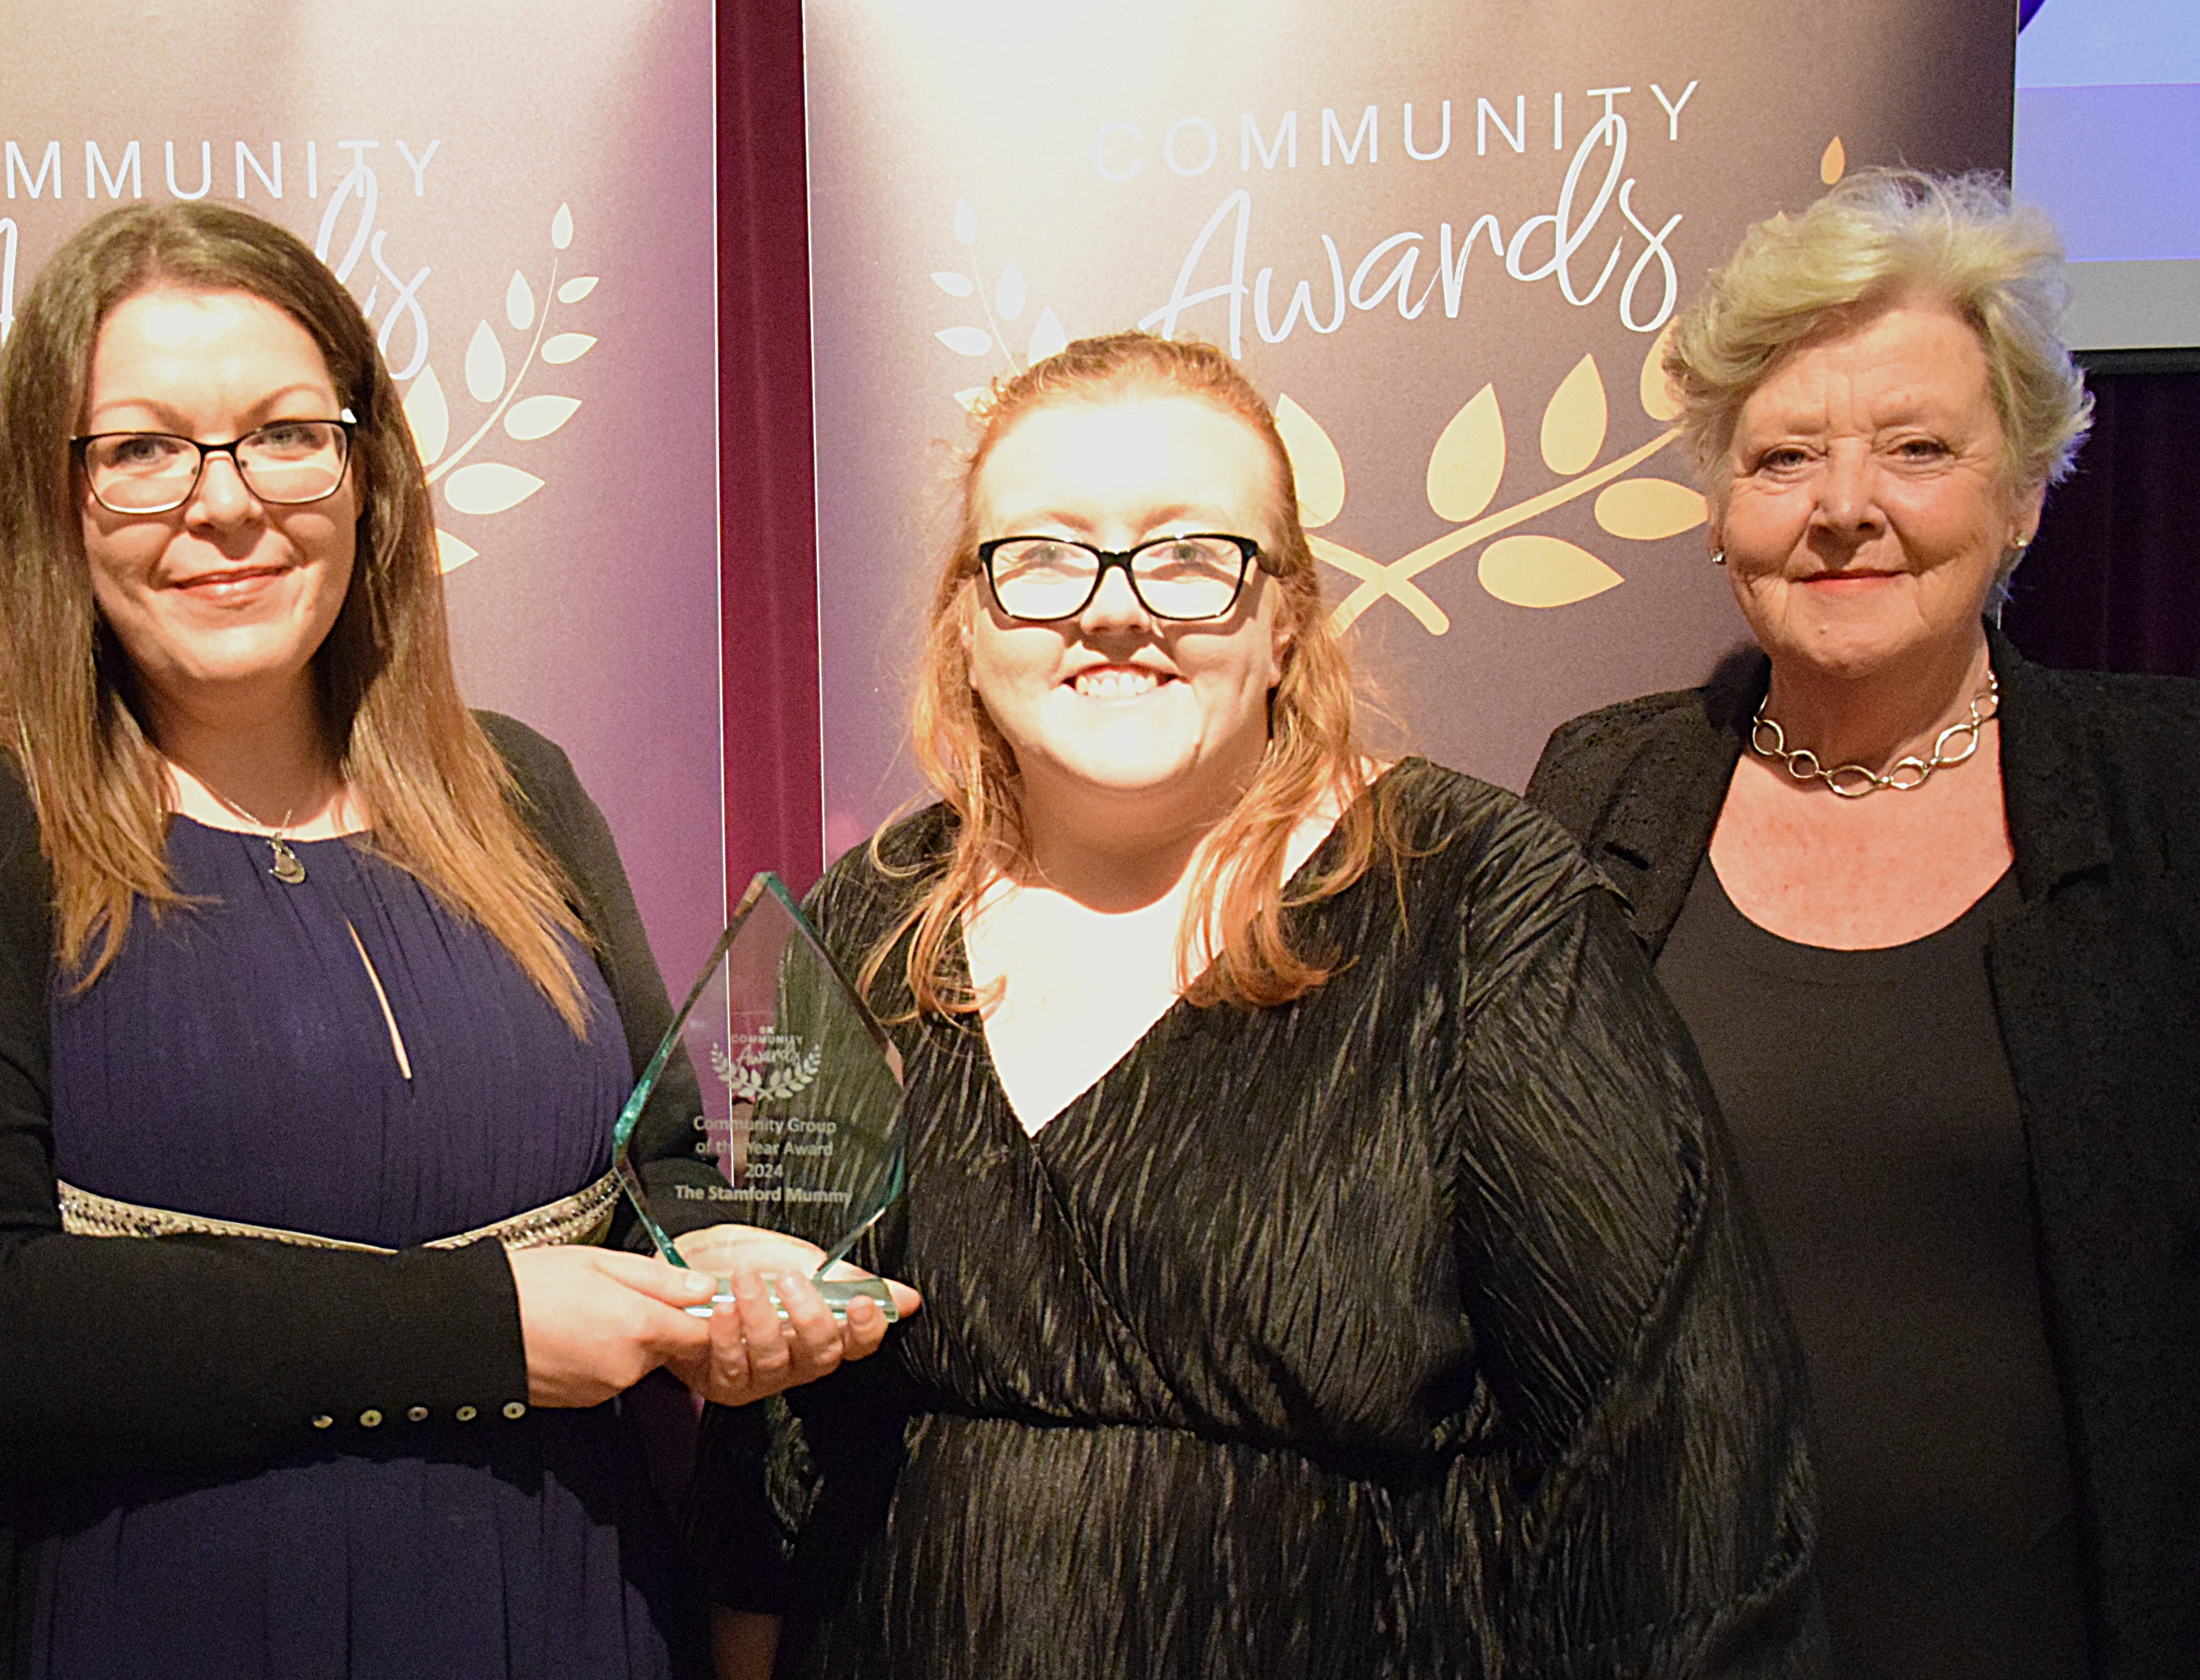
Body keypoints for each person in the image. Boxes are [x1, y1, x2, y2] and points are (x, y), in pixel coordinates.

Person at [0, 200, 911, 1680]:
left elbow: (649, 1165)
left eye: (288, 434)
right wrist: (476, 1331)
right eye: (144, 448)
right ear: (54, 497)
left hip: (555, 1608)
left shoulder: (517, 790)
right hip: (129, 1614)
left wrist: (720, 1266)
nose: (225, 505)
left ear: (368, 477)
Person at [692, 331, 1818, 1680]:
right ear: (969, 621)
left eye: (1187, 553)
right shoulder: (865, 928)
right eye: (1043, 554)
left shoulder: (1470, 910)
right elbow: (775, 1442)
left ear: (1285, 618)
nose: (1115, 609)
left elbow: (1671, 1458)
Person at [1527, 170, 2200, 1680]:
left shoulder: (2170, 802)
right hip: (1664, 1639)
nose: (1844, 508)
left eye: (1915, 448)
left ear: (2022, 491)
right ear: (1719, 511)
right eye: (1783, 457)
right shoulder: (1600, 786)